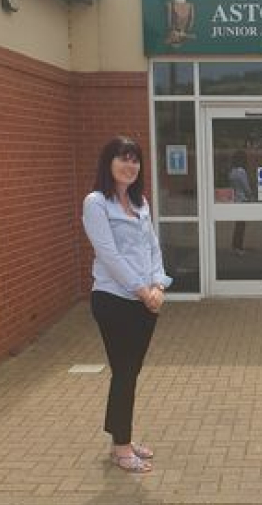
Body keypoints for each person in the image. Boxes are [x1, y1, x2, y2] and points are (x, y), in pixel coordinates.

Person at [82, 135, 173, 473]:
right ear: (108, 163)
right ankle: (122, 449)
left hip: (145, 300)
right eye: (122, 158)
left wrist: (158, 284)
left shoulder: (140, 203)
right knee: (124, 373)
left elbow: (152, 247)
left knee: (129, 373)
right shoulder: (96, 203)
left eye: (135, 160)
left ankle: (121, 438)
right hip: (114, 300)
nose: (129, 165)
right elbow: (109, 255)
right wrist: (142, 290)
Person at [228, 150, 252, 255]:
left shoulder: (232, 171)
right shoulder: (242, 172)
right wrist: (251, 195)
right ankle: (239, 247)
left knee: (237, 224)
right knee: (241, 225)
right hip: (243, 200)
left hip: (236, 199)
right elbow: (246, 187)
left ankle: (234, 245)